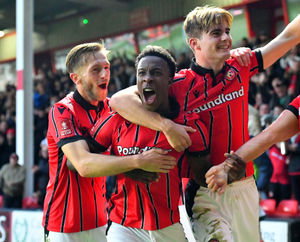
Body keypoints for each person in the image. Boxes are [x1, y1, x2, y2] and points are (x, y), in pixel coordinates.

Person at [109, 6, 300, 242]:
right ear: (195, 43)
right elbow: (118, 99)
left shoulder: (242, 64)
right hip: (204, 193)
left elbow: (289, 36)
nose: (226, 38)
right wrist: (166, 126)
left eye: (227, 31)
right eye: (216, 33)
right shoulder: (178, 85)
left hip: (244, 185)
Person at [43, 42, 177, 242]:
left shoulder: (113, 108)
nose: (104, 74)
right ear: (76, 78)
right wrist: (136, 161)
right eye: (96, 70)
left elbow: (146, 86)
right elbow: (82, 165)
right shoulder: (62, 111)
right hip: (64, 224)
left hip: (100, 219)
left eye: (106, 67)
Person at [89, 45, 211, 241]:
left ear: (170, 80)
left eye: (156, 73)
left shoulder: (188, 126)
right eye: (142, 73)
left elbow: (203, 178)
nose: (147, 78)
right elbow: (79, 161)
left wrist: (228, 170)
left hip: (168, 226)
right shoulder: (117, 117)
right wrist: (129, 166)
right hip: (124, 226)